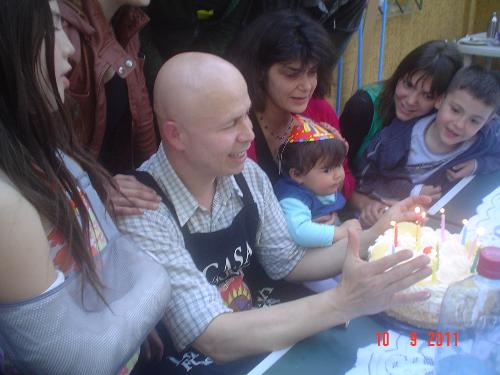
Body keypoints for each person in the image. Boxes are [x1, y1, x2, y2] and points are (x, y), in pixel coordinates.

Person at [118, 52, 432, 374]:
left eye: (246, 116)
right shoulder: (141, 210)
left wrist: (377, 231)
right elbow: (212, 336)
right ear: (175, 135)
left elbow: (288, 262)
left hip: (265, 343)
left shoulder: (246, 174)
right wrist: (343, 301)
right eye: (230, 124)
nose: (250, 134)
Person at [0, 1, 170, 374]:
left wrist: (123, 326)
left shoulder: (54, 156)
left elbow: (111, 253)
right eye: (54, 28)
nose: (70, 48)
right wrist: (150, 297)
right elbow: (74, 361)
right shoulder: (7, 204)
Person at [227, 9, 356, 200]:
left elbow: (347, 187)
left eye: (312, 72)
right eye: (291, 73)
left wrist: (336, 157)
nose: (306, 86)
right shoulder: (235, 120)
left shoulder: (320, 111)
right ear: (260, 71)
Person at [339, 40, 463, 226]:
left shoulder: (439, 120)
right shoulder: (363, 107)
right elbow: (332, 174)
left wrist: (476, 163)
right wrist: (369, 205)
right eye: (408, 84)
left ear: (442, 100)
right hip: (354, 212)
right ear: (398, 76)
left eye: (427, 96)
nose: (411, 101)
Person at [355, 65, 500, 202]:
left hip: (439, 220)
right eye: (455, 110)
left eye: (474, 121)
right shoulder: (391, 140)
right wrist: (410, 191)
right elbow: (363, 179)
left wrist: (478, 164)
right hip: (386, 215)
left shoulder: (483, 139)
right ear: (440, 100)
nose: (459, 125)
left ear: (488, 121)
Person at [60, 0, 158, 175]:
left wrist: (154, 177)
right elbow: (46, 150)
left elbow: (142, 112)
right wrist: (99, 187)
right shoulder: (63, 35)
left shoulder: (127, 18)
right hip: (80, 189)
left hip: (109, 180)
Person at [274, 114, 361, 247]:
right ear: (297, 174)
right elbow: (300, 231)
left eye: (339, 165)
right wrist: (339, 232)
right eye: (327, 170)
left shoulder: (316, 186)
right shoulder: (292, 198)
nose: (338, 175)